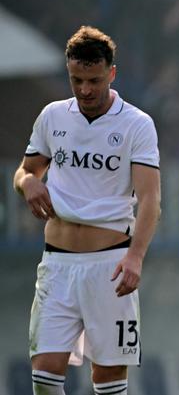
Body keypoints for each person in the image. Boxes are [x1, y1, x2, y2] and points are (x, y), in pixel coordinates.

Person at [13, 26, 161, 395]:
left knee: (109, 383)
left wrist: (136, 257)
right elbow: (26, 170)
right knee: (44, 379)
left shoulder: (136, 124)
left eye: (93, 80)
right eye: (76, 79)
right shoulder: (53, 116)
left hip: (109, 268)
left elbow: (151, 200)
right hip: (57, 267)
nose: (84, 89)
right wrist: (27, 183)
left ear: (112, 73)